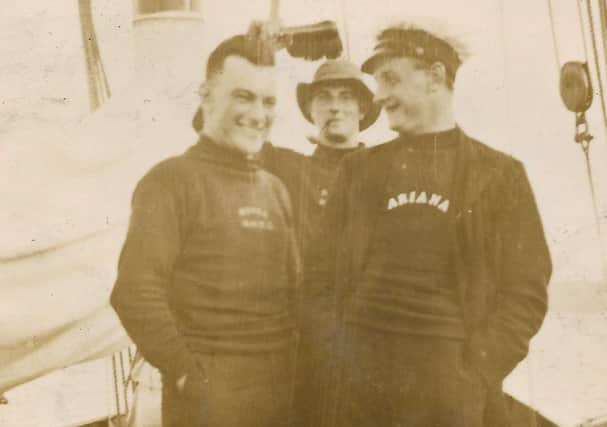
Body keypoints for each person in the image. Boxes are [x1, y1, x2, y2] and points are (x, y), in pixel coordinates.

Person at [319, 21, 552, 427]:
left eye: (391, 79)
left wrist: (474, 374)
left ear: (435, 77)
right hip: (358, 385)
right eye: (378, 82)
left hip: (448, 389)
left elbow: (526, 292)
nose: (380, 96)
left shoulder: (498, 174)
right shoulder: (358, 170)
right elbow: (318, 279)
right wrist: (336, 360)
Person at [110, 33, 299, 427]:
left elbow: (293, 295)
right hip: (209, 400)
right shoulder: (171, 181)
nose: (257, 114)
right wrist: (186, 374)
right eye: (242, 97)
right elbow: (134, 293)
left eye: (268, 102)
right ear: (206, 96)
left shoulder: (274, 189)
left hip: (281, 393)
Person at [259, 59, 380, 427]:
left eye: (346, 97)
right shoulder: (286, 167)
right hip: (305, 354)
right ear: (310, 110)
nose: (335, 106)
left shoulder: (388, 170)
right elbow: (213, 126)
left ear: (362, 108)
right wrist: (255, 53)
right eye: (324, 97)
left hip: (373, 351)